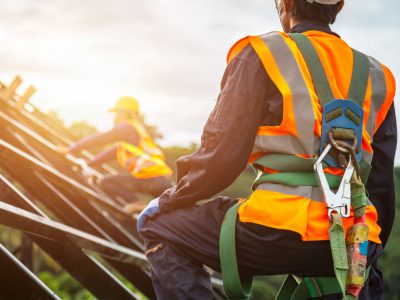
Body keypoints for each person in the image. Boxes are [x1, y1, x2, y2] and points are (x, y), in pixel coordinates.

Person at [138, 0, 396, 299]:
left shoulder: (263, 53)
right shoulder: (379, 77)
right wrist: (369, 250)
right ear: (338, 7)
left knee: (160, 227)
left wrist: (172, 199)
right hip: (356, 239)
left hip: (278, 228)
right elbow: (381, 185)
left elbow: (221, 156)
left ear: (284, 4)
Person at [64, 96, 173, 211]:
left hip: (150, 178)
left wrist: (71, 149)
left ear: (125, 113)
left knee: (107, 183)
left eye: (116, 113)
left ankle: (135, 203)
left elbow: (101, 138)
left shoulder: (126, 127)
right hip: (162, 181)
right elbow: (112, 152)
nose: (115, 117)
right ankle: (135, 206)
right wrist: (89, 164)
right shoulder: (135, 132)